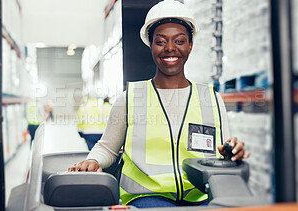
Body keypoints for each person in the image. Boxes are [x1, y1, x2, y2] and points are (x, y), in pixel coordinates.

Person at [69, 0, 250, 208]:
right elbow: (108, 149)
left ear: (190, 45)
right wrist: (93, 160)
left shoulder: (211, 99)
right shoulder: (129, 99)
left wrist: (232, 151)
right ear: (151, 45)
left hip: (201, 196)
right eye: (161, 41)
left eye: (180, 41)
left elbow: (222, 150)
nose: (170, 48)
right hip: (148, 198)